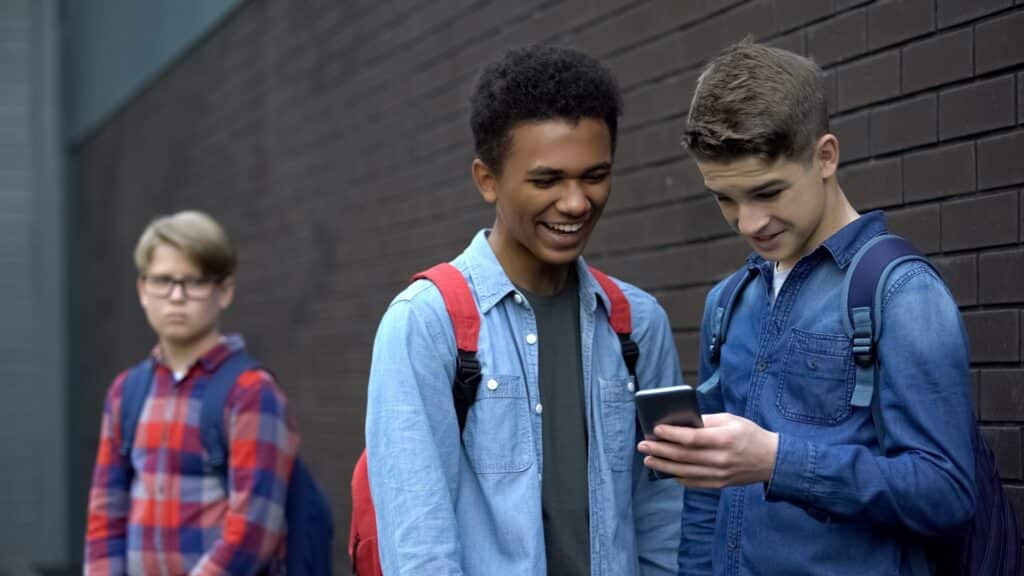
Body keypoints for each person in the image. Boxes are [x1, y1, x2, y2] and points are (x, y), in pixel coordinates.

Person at [637, 42, 976, 575]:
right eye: (725, 198)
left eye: (768, 191)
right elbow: (705, 500)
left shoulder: (901, 292)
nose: (749, 222)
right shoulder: (726, 303)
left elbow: (946, 494)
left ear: (825, 157)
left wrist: (776, 461)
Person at [364, 44, 685, 575]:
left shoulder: (637, 322)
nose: (577, 202)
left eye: (595, 175)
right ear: (487, 179)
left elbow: (663, 512)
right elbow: (417, 542)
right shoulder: (426, 323)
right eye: (547, 180)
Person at [84, 210, 298, 575]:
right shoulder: (127, 392)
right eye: (163, 280)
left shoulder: (250, 392)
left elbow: (254, 528)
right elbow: (106, 512)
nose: (177, 296)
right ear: (142, 290)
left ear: (224, 291)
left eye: (195, 281)